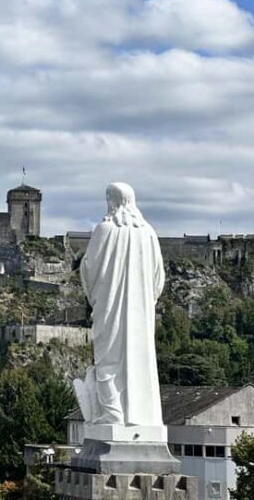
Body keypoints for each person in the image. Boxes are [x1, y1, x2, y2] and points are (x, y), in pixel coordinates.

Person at [73, 182, 165, 426]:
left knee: (108, 360)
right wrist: (144, 300)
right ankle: (139, 416)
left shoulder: (105, 230)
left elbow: (89, 268)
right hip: (140, 314)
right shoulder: (149, 233)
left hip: (111, 308)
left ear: (111, 201)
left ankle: (113, 413)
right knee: (139, 361)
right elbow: (158, 278)